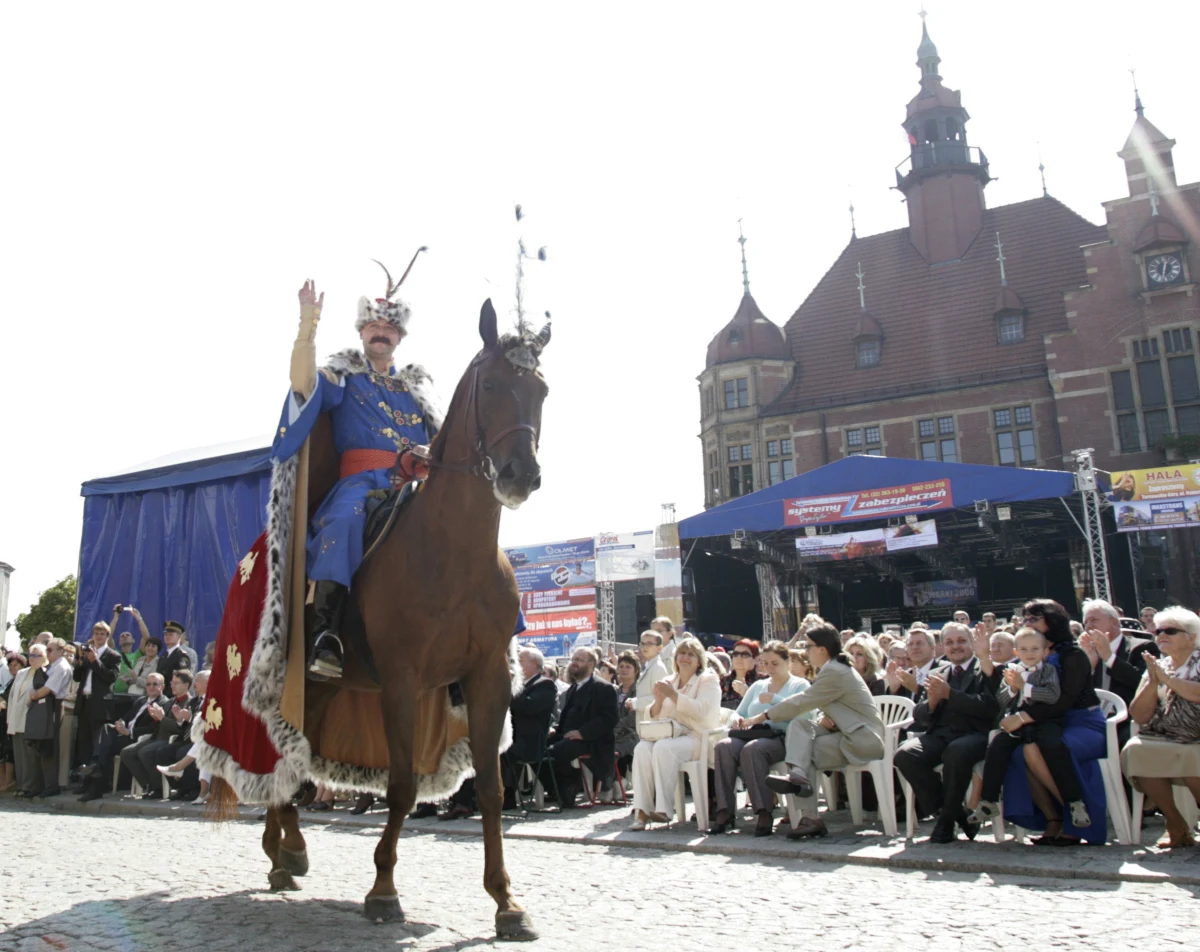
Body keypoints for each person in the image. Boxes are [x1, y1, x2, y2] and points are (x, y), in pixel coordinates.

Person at [273, 277, 436, 680]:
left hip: (414, 484)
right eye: (374, 326)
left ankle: (487, 642)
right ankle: (325, 635)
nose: (381, 332)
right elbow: (301, 386)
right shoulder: (342, 376)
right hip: (360, 483)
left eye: (390, 327)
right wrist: (307, 325)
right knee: (343, 522)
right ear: (362, 332)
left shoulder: (418, 390)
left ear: (399, 336)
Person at [755, 624, 885, 839]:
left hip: (863, 740)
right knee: (800, 727)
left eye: (808, 646)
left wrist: (764, 716)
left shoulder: (835, 671)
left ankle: (809, 813)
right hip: (847, 734)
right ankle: (798, 777)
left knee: (805, 754)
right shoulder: (834, 668)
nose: (805, 651)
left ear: (822, 649)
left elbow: (802, 702)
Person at [999, 598, 1108, 846]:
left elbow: (1066, 701)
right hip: (1048, 724)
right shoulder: (1029, 654)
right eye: (1025, 618)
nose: (1028, 622)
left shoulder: (1073, 655)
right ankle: (1053, 818)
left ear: (1053, 620)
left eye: (1034, 618)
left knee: (1048, 747)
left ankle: (1077, 816)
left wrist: (1024, 717)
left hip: (1082, 723)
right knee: (1019, 752)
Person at [893, 622, 999, 843]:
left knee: (956, 751)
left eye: (961, 641)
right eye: (949, 642)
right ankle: (957, 813)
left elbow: (990, 708)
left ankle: (945, 823)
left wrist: (950, 694)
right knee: (905, 754)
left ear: (971, 643)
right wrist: (931, 702)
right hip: (939, 735)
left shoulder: (985, 668)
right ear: (942, 647)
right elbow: (920, 717)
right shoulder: (937, 672)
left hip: (974, 735)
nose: (955, 646)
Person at [971, 628, 1083, 828]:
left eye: (1034, 648)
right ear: (1016, 652)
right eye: (1024, 649)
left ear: (1045, 651)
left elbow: (1052, 695)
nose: (1030, 653)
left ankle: (1075, 800)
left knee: (1054, 746)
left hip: (1045, 720)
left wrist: (1025, 687)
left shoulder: (1048, 670)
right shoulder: (1012, 671)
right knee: (997, 746)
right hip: (1019, 724)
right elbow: (1002, 699)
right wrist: (1013, 688)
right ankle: (989, 800)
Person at [711, 641, 810, 836]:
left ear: (787, 661)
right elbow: (739, 713)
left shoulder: (799, 684)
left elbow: (805, 716)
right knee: (724, 746)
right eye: (765, 663)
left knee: (753, 749)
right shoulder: (758, 685)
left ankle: (764, 810)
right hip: (753, 732)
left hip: (782, 737)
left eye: (775, 663)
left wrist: (775, 700)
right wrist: (738, 720)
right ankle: (724, 809)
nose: (770, 668)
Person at [1122, 606, 1200, 848]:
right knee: (1135, 750)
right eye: (1158, 631)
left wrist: (1167, 679)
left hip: (1196, 735)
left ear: (1191, 637)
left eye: (1170, 631)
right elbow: (1139, 714)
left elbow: (1196, 694)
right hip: (1164, 733)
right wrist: (1152, 682)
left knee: (1190, 754)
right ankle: (1176, 823)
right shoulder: (1158, 666)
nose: (1162, 635)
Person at [629, 636, 721, 830]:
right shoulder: (669, 681)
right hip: (668, 734)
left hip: (697, 738)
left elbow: (704, 712)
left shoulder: (708, 680)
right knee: (641, 748)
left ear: (699, 660)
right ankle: (642, 811)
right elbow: (654, 716)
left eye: (690, 655)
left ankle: (664, 809)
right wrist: (660, 701)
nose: (685, 658)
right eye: (682, 654)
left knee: (663, 748)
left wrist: (674, 696)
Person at [78, 672, 172, 801]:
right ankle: (96, 771)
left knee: (104, 750)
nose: (151, 687)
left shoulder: (164, 703)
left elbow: (153, 729)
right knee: (106, 728)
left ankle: (93, 775)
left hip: (136, 738)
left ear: (162, 686)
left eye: (155, 684)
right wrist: (120, 724)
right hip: (122, 734)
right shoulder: (141, 700)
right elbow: (126, 718)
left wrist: (129, 732)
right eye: (148, 684)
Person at [1078, 597, 1160, 745]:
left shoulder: (1141, 647)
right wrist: (1089, 665)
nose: (1089, 626)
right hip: (1091, 719)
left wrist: (1109, 658)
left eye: (1094, 620)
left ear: (1114, 622)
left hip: (1127, 719)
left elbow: (1141, 682)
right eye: (1086, 622)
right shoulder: (1084, 651)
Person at [544, 648, 619, 808]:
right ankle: (559, 787)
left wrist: (582, 733)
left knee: (555, 752)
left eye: (579, 660)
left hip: (592, 740)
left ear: (591, 664)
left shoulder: (604, 688)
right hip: (567, 736)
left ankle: (571, 784)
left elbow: (609, 719)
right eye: (573, 659)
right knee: (538, 748)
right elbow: (566, 717)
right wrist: (555, 729)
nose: (574, 663)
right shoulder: (573, 688)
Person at [119, 670, 196, 797]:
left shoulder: (189, 702)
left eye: (176, 683)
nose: (172, 685)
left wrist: (161, 718)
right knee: (127, 752)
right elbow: (159, 723)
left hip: (170, 739)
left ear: (186, 685)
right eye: (172, 682)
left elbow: (179, 729)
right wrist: (155, 717)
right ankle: (148, 784)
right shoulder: (170, 701)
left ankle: (159, 788)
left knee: (145, 752)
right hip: (156, 737)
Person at [22, 638, 74, 797]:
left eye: (50, 650)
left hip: (55, 706)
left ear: (61, 651)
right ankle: (40, 785)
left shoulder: (61, 666)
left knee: (50, 747)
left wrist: (34, 695)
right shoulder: (52, 666)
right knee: (41, 746)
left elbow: (49, 689)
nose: (48, 653)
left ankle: (52, 786)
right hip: (46, 707)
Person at [72, 618, 122, 768]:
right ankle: (84, 777)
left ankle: (96, 781)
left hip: (100, 705)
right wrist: (81, 661)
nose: (99, 637)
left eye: (102, 634)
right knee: (83, 742)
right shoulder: (87, 653)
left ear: (107, 636)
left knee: (97, 744)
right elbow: (77, 678)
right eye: (96, 633)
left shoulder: (113, 655)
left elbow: (110, 678)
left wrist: (95, 661)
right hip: (84, 702)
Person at [9, 646, 43, 797]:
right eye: (31, 655)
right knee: (19, 755)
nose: (32, 658)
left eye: (36, 655)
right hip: (16, 718)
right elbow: (12, 697)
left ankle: (30, 785)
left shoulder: (43, 673)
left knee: (30, 755)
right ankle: (21, 784)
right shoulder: (22, 673)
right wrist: (10, 720)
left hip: (31, 719)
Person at [1, 654, 29, 792]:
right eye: (11, 665)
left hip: (13, 719)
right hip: (6, 719)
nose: (13, 668)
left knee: (9, 751)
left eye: (16, 665)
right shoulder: (11, 681)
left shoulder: (20, 680)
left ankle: (9, 781)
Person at [612, 651, 641, 778]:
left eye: (628, 667)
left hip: (632, 735)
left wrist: (613, 726)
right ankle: (612, 784)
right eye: (621, 666)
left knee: (610, 750)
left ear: (636, 670)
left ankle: (619, 782)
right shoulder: (613, 691)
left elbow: (633, 718)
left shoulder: (639, 690)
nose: (624, 669)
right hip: (613, 734)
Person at [632, 630, 669, 721]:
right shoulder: (650, 664)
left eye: (649, 644)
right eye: (642, 643)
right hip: (646, 724)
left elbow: (660, 698)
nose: (644, 647)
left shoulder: (658, 667)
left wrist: (635, 703)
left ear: (660, 648)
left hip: (654, 725)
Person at [721, 639, 761, 709]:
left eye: (745, 655)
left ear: (756, 659)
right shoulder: (723, 681)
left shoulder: (764, 681)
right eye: (735, 654)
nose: (739, 658)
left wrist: (747, 695)